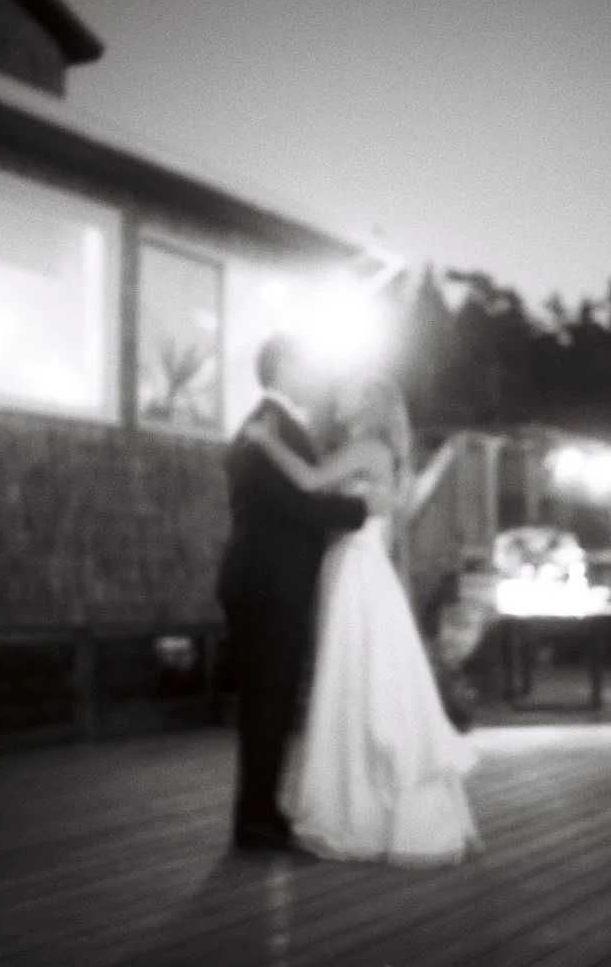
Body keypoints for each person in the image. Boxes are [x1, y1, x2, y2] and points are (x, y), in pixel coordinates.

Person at [243, 373, 482, 866]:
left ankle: (360, 811)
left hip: (355, 570)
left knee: (353, 681)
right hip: (364, 567)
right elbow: (392, 520)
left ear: (370, 402)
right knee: (363, 681)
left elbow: (309, 482)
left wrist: (266, 441)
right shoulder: (384, 452)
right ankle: (368, 805)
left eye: (348, 391)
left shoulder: (367, 446)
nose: (339, 396)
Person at [216, 334, 371, 853]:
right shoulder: (270, 426)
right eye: (309, 363)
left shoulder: (271, 426)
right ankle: (255, 818)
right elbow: (296, 504)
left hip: (263, 580)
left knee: (271, 700)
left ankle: (260, 809)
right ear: (285, 366)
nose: (317, 376)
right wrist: (363, 512)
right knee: (269, 699)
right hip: (269, 583)